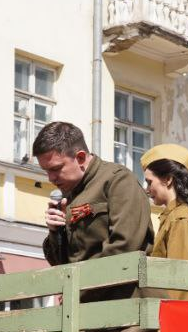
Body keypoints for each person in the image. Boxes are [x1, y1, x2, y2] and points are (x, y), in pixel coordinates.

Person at [35, 120, 153, 296]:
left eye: (56, 169)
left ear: (80, 158)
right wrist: (55, 232)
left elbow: (124, 247)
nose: (51, 178)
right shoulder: (69, 195)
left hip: (128, 304)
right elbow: (63, 263)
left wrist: (81, 289)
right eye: (46, 171)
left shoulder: (117, 180)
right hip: (87, 307)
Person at [141, 143, 188, 302]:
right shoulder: (175, 216)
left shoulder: (181, 218)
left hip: (176, 318)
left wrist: (168, 324)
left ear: (167, 180)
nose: (147, 190)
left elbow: (180, 283)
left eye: (149, 182)